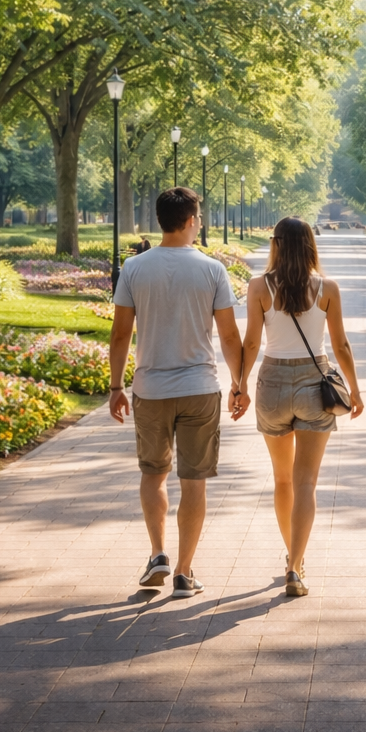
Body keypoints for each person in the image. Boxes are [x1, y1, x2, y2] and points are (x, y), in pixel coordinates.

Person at [109, 188, 245, 598]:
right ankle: (185, 573)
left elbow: (120, 334)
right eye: (199, 218)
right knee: (194, 481)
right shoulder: (211, 269)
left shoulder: (134, 268)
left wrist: (116, 386)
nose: (199, 223)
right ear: (189, 221)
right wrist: (239, 383)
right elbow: (228, 334)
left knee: (153, 474)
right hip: (200, 388)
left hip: (150, 389)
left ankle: (157, 554)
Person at [234, 217, 364, 597]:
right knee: (306, 481)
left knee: (282, 480)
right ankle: (295, 566)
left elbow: (252, 343)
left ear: (275, 244)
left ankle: (292, 554)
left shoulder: (259, 286)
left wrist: (240, 386)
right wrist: (355, 390)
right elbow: (340, 345)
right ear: (310, 244)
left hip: (272, 384)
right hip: (314, 384)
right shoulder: (327, 288)